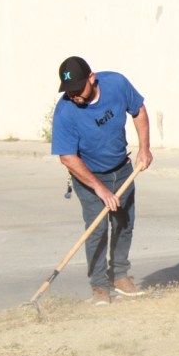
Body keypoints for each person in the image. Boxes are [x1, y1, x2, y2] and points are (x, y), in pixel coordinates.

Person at [51, 56, 153, 305]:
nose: (73, 94)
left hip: (122, 169)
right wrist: (99, 189)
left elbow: (138, 110)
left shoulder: (116, 84)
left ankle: (119, 276)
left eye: (78, 88)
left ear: (92, 78)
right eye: (69, 90)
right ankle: (99, 286)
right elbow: (67, 157)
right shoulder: (66, 111)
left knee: (124, 223)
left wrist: (144, 148)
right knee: (96, 229)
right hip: (89, 176)